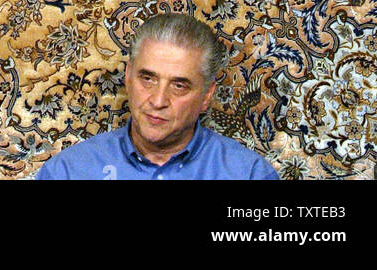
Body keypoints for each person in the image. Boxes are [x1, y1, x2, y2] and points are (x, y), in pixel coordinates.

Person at [36, 11, 278, 180]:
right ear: (128, 76)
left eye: (179, 86)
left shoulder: (249, 175)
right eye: (148, 79)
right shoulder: (67, 172)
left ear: (206, 95)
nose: (158, 101)